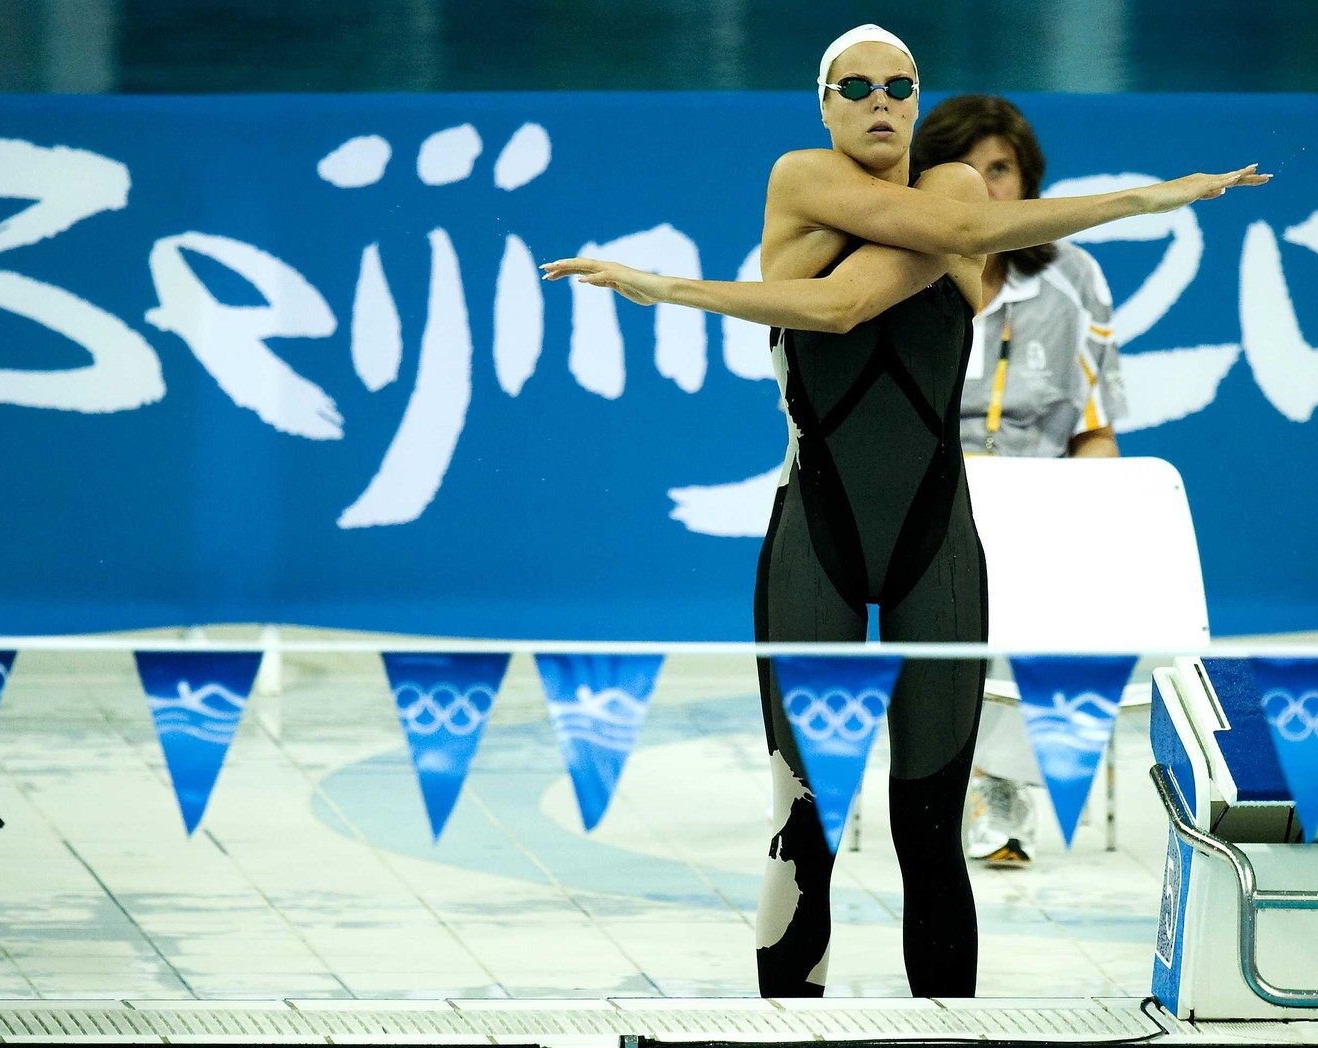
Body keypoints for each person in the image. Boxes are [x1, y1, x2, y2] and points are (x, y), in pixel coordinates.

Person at [543, 24, 1267, 997]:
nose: (881, 102)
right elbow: (864, 295)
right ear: (825, 105)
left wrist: (667, 287)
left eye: (900, 85)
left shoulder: (957, 197)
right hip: (817, 537)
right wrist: (1139, 198)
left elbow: (849, 300)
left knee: (930, 827)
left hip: (939, 545)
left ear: (919, 102)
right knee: (804, 819)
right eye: (857, 88)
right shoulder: (801, 180)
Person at [910, 94, 1125, 867]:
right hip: (924, 498)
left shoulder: (1074, 276)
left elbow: (1095, 429)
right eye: (963, 171)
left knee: (1052, 582)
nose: (984, 189)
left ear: (1028, 184)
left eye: (999, 170)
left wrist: (1091, 513)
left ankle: (1001, 781)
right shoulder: (901, 266)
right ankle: (964, 778)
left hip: (1042, 506)